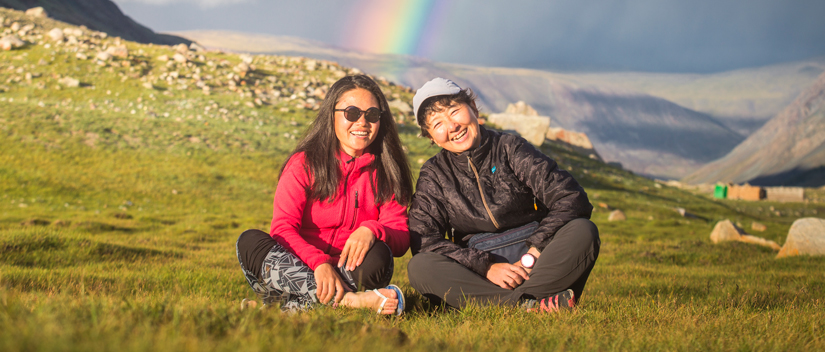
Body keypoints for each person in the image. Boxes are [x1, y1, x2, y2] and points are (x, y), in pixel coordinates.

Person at [407, 78, 600, 312]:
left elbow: (570, 197)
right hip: (479, 273)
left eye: (454, 111)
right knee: (420, 266)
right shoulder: (434, 174)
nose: (452, 126)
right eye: (438, 123)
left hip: (536, 261)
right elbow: (425, 240)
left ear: (473, 108)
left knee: (583, 231)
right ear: (431, 137)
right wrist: (487, 267)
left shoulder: (510, 148)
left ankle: (505, 304)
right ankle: (530, 304)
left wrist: (534, 253)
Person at [236, 74, 413, 315]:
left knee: (380, 256)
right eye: (352, 113)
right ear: (332, 114)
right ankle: (350, 301)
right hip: (297, 265)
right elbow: (283, 229)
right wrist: (319, 263)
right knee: (249, 242)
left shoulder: (388, 171)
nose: (362, 122)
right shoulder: (303, 163)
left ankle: (280, 308)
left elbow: (401, 237)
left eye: (372, 115)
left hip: (348, 270)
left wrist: (371, 230)